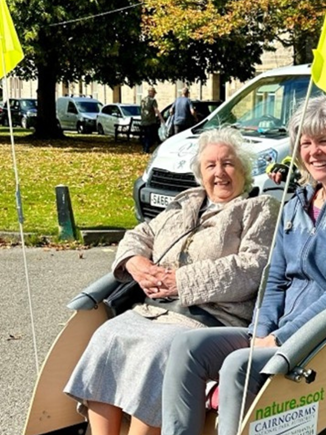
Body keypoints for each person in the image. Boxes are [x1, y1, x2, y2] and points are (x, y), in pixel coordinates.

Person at [161, 96, 326, 435]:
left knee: (238, 366)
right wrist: (262, 333)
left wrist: (280, 338)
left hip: (325, 341)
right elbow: (275, 281)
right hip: (277, 335)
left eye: (325, 141)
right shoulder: (294, 206)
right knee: (187, 348)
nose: (314, 151)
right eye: (306, 142)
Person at [64, 127, 279, 435]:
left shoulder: (258, 209)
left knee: (157, 351)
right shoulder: (185, 203)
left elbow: (251, 268)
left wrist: (180, 281)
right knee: (106, 337)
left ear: (244, 169)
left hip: (208, 319)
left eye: (228, 163)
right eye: (211, 165)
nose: (220, 173)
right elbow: (140, 234)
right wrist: (134, 263)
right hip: (153, 311)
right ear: (200, 173)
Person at [140, 87, 164, 153]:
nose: (154, 94)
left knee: (146, 135)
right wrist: (161, 119)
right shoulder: (153, 100)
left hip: (143, 121)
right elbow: (156, 110)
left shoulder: (143, 100)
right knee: (152, 136)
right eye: (154, 93)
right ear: (152, 92)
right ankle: (146, 148)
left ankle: (145, 148)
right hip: (151, 121)